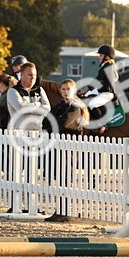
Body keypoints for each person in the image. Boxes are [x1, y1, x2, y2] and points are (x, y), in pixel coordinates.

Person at [42, 79, 89, 223]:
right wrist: (54, 121)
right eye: (63, 89)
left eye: (68, 89)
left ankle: (66, 210)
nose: (65, 91)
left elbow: (63, 123)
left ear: (74, 90)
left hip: (69, 148)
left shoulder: (75, 107)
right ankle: (59, 209)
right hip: (58, 146)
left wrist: (54, 121)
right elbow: (45, 121)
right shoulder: (61, 105)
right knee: (60, 178)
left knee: (66, 178)